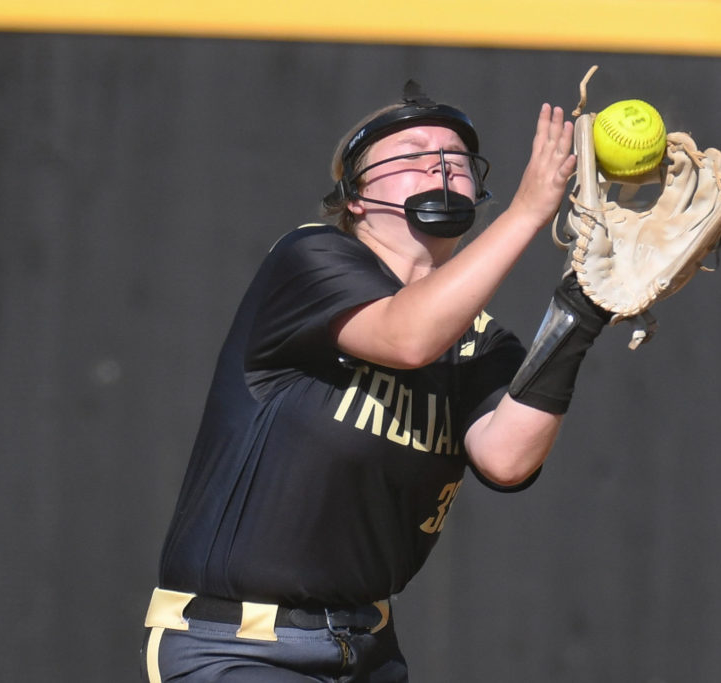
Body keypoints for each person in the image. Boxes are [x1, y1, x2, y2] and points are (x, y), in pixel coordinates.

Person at [140, 80, 616, 682]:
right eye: (411, 154)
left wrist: (581, 313)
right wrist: (528, 210)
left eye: (456, 158)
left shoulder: (482, 339)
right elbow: (406, 337)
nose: (439, 163)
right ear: (356, 198)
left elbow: (507, 458)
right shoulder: (310, 259)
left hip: (367, 651)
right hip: (235, 646)